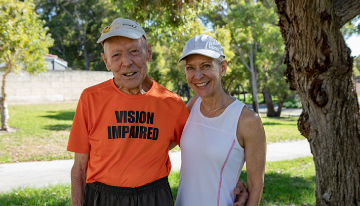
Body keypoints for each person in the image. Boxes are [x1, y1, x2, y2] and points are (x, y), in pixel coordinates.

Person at [67, 18, 249, 206]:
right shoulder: (91, 98)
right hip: (103, 198)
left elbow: (203, 151)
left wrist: (234, 182)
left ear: (149, 53)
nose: (127, 62)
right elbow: (79, 169)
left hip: (154, 197)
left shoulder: (171, 103)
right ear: (106, 61)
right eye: (116, 55)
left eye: (134, 51)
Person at [175, 35, 266, 206]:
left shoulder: (247, 120)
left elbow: (256, 185)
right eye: (190, 68)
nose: (198, 75)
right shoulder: (193, 104)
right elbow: (162, 144)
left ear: (222, 68)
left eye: (206, 66)